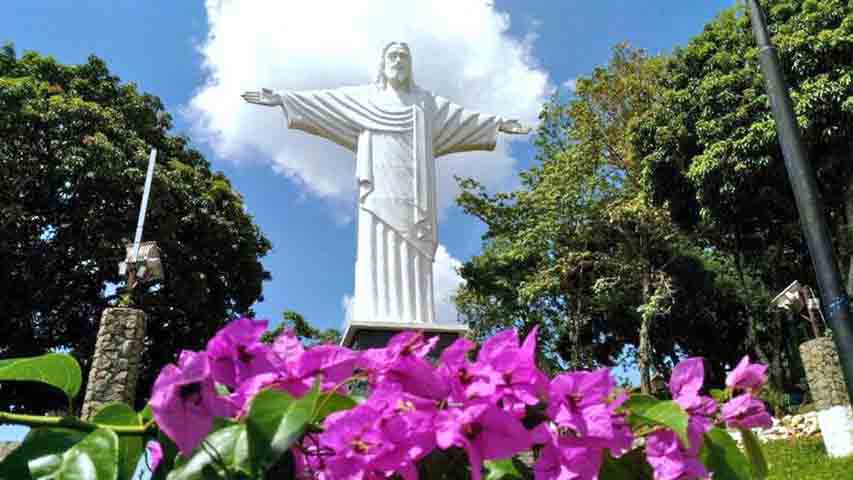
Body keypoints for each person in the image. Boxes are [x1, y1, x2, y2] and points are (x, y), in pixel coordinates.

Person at [243, 42, 529, 325]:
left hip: (415, 195)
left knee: (414, 251)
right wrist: (283, 99)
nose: (398, 60)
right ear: (382, 63)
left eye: (404, 56)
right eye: (393, 55)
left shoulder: (425, 103)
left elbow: (461, 119)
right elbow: (325, 101)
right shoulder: (365, 98)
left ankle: (416, 318)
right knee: (377, 246)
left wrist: (498, 124)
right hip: (378, 192)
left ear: (411, 64)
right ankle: (377, 316)